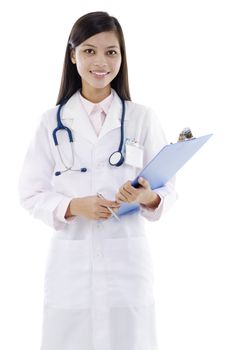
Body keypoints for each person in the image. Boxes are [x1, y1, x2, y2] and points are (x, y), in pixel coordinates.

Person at [18, 11, 177, 350]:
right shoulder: (51, 122)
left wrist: (146, 198)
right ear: (73, 55)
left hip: (127, 265)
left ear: (122, 57)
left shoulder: (141, 118)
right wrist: (74, 206)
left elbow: (168, 188)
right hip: (71, 268)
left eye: (111, 51)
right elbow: (30, 192)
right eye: (89, 51)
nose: (101, 61)